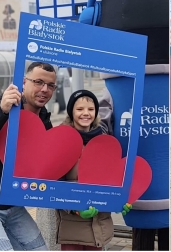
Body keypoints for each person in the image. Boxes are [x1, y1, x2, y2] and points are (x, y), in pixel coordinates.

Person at [0, 61, 56, 251]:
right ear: (24, 82)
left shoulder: (44, 120)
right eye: (38, 82)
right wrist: (1, 111)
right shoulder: (3, 106)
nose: (44, 89)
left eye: (50, 85)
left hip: (15, 206)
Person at [56, 90, 131, 251]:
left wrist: (121, 199)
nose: (86, 113)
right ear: (71, 112)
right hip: (73, 227)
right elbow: (56, 185)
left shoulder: (105, 140)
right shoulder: (63, 141)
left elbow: (113, 178)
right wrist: (76, 209)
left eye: (90, 109)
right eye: (80, 109)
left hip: (100, 225)